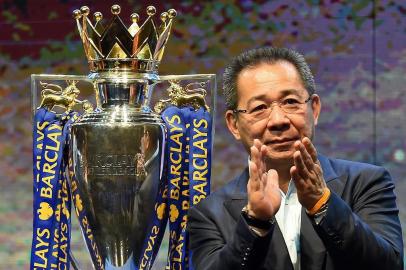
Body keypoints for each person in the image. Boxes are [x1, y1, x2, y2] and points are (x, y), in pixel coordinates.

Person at [188, 47, 403, 270]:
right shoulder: (209, 214)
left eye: (290, 102)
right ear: (234, 124)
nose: (278, 120)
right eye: (259, 107)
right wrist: (255, 222)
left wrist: (322, 204)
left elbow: (390, 265)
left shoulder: (365, 183)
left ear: (315, 109)